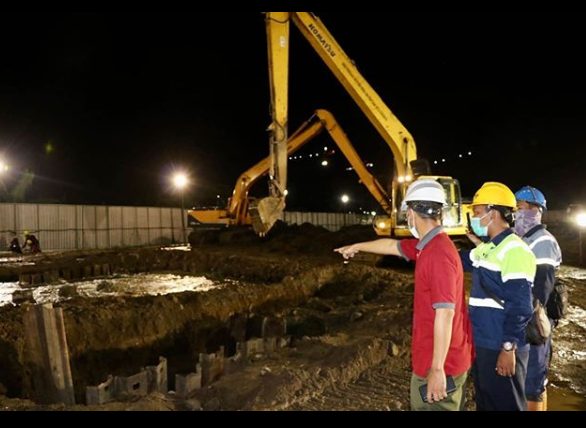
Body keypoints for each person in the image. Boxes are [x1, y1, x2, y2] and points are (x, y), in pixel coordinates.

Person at [336, 179, 473, 411]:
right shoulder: (427, 246)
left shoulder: (438, 254)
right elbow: (391, 246)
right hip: (439, 359)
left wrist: (437, 369)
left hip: (441, 364)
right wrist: (357, 246)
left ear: (410, 212)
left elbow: (445, 313)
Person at [462, 182, 535, 411]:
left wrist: (507, 348)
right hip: (485, 342)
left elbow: (521, 306)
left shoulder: (514, 250)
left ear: (492, 213)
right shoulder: (489, 248)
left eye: (476, 212)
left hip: (501, 344)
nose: (473, 218)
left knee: (506, 405)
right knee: (486, 403)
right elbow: (458, 259)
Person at [514, 186, 562, 411]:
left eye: (520, 208)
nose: (516, 214)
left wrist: (527, 318)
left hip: (535, 318)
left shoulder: (542, 241)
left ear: (535, 211)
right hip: (525, 315)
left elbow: (541, 289)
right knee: (524, 379)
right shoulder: (522, 238)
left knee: (533, 381)